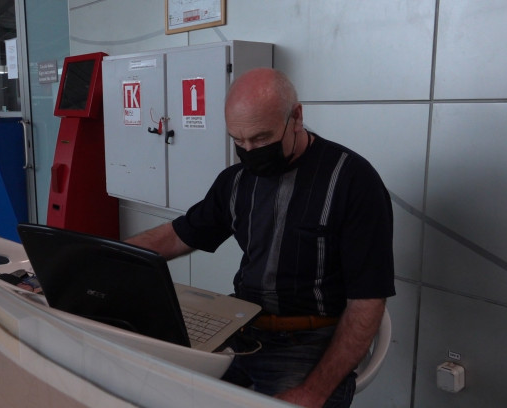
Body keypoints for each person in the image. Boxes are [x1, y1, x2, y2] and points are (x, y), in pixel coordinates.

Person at [126, 68, 395, 408]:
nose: (250, 151)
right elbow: (176, 237)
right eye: (239, 141)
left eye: (261, 139)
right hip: (240, 328)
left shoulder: (352, 181)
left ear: (296, 117)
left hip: (309, 341)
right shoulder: (237, 180)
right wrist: (100, 259)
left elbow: (367, 302)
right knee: (155, 389)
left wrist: (312, 392)